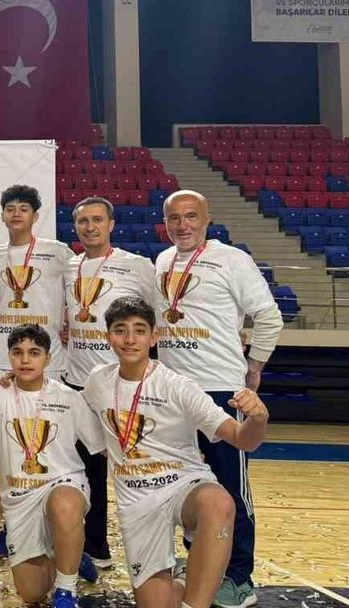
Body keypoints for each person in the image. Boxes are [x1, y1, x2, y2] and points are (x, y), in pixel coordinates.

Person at [85, 297, 271, 608]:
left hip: (183, 486)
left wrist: (258, 419)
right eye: (120, 330)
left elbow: (242, 440)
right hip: (138, 503)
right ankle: (187, 577)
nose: (129, 339)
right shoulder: (97, 381)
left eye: (139, 330)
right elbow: (64, 403)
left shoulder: (178, 387)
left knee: (219, 503)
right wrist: (15, 383)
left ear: (153, 337)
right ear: (108, 337)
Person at [155, 190, 283, 608]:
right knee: (184, 484)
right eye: (174, 218)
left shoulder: (232, 260)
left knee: (231, 489)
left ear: (207, 219)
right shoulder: (162, 261)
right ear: (165, 222)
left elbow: (269, 316)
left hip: (221, 392)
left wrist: (254, 366)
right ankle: (200, 562)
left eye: (191, 216)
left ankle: (239, 577)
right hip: (174, 394)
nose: (183, 225)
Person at [0, 325, 100, 608]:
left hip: (62, 484)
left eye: (34, 353)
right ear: (9, 356)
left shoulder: (68, 398)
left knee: (64, 504)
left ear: (48, 358)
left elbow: (99, 447)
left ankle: (66, 591)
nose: (25, 360)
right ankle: (70, 553)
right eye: (18, 352)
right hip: (20, 499)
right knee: (31, 593)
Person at [62, 195, 156, 568]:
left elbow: (160, 316)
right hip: (79, 383)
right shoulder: (70, 267)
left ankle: (150, 551)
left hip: (123, 384)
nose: (90, 227)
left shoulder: (137, 266)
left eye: (97, 220)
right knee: (87, 469)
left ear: (111, 224)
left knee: (136, 468)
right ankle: (95, 547)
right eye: (83, 221)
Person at [0, 184, 70, 384]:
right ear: (2, 216)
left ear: (35, 216)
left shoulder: (57, 251)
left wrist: (74, 323)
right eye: (10, 209)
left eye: (23, 209)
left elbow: (80, 289)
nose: (16, 214)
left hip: (47, 355)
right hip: (3, 355)